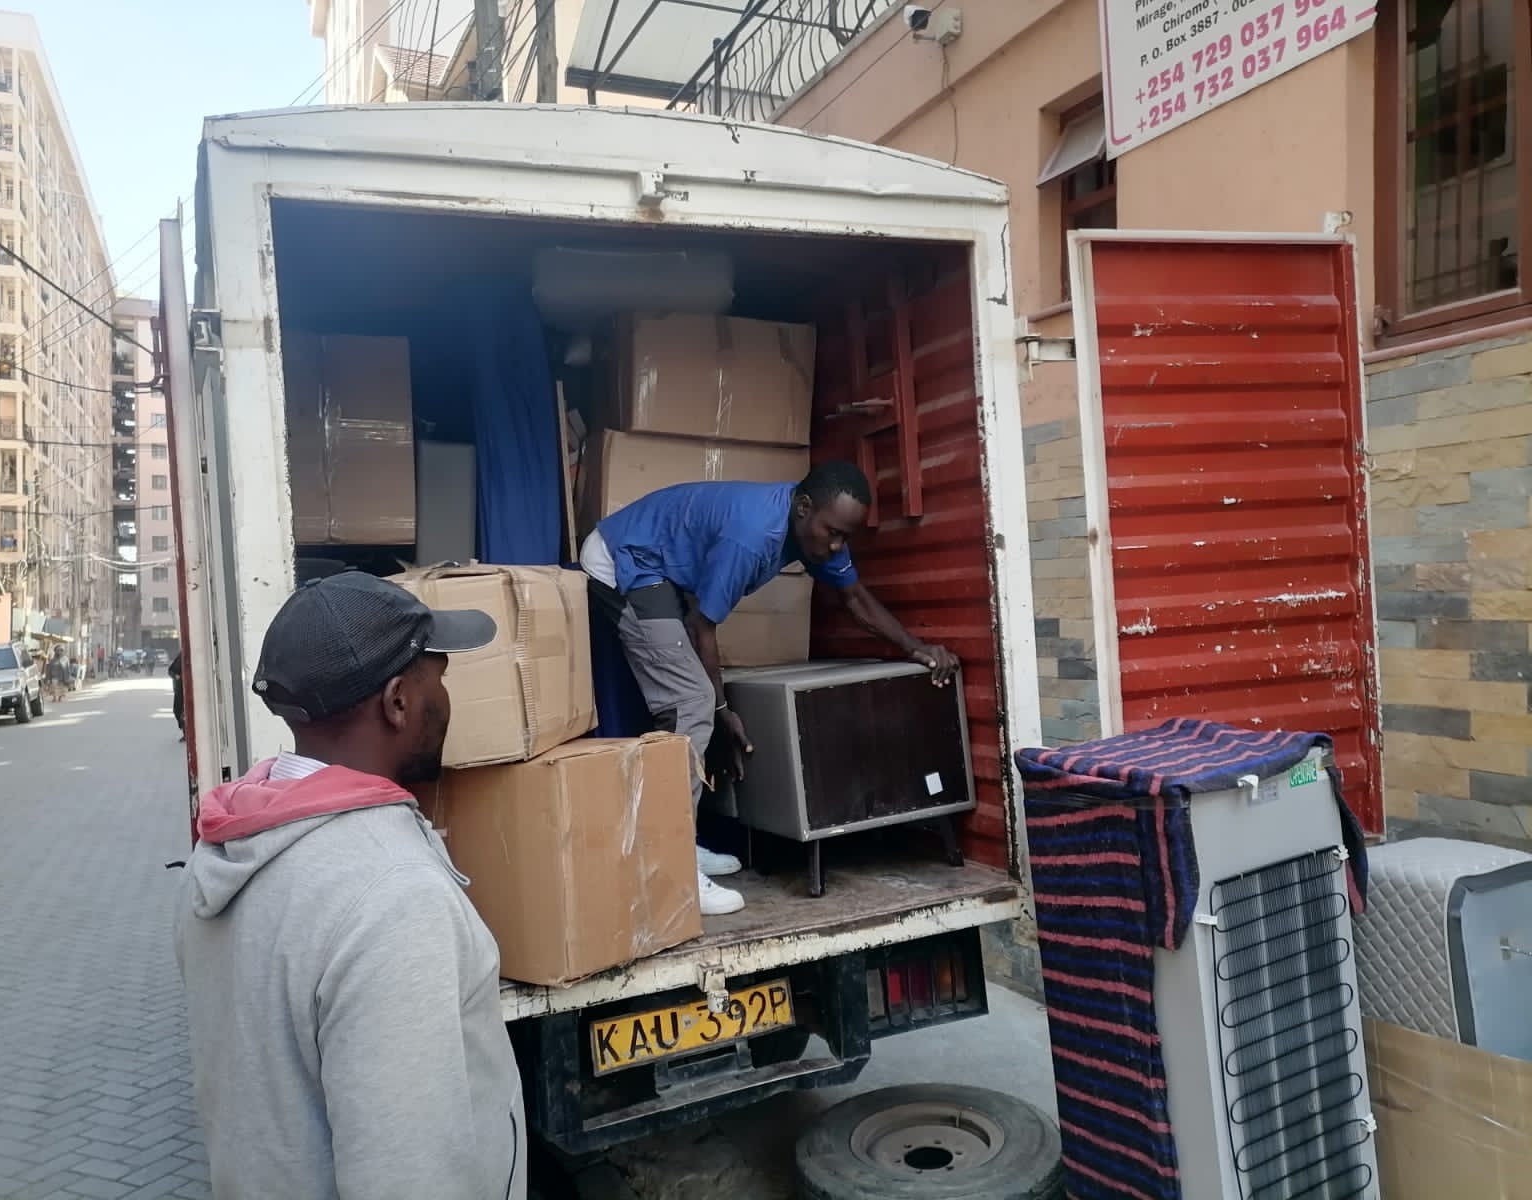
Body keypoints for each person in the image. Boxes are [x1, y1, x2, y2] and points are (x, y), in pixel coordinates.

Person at [173, 572, 526, 1200]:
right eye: (437, 676)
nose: (444, 698)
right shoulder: (393, 901)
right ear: (397, 701)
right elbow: (408, 1177)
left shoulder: (231, 845)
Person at [580, 462, 959, 916]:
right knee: (691, 703)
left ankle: (678, 841)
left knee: (692, 705)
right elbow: (702, 626)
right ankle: (668, 867)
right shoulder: (752, 537)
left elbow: (855, 598)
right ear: (803, 509)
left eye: (845, 537)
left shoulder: (813, 526)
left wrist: (917, 648)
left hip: (662, 564)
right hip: (626, 558)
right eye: (833, 533)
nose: (837, 545)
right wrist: (722, 711)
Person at [168, 649, 184, 740]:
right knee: (178, 710)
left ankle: (185, 732)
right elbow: (171, 671)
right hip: (179, 690)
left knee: (181, 711)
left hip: (182, 689)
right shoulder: (182, 656)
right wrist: (177, 677)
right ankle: (184, 730)